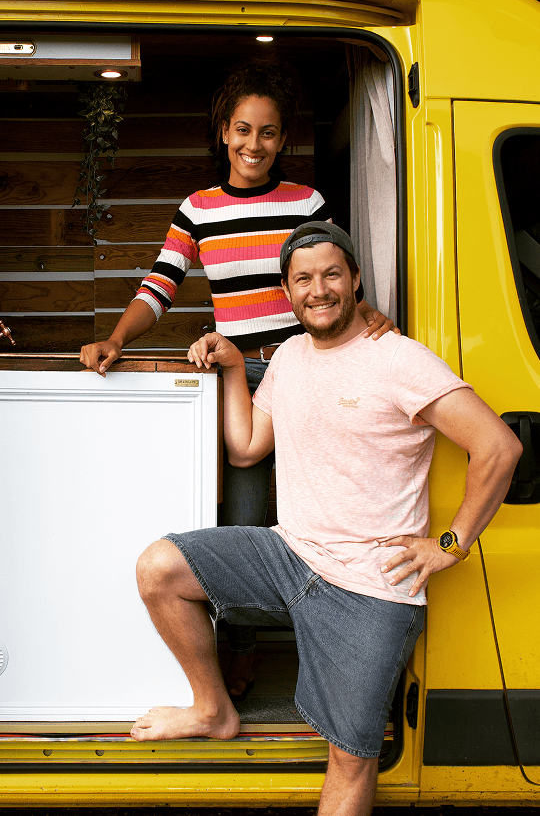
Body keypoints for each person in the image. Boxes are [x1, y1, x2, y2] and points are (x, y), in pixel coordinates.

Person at [130, 222, 522, 816]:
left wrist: (450, 543)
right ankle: (212, 709)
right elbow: (245, 448)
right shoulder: (288, 356)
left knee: (350, 757)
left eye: (332, 274)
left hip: (370, 584)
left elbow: (499, 446)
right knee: (160, 568)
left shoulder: (398, 359)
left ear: (356, 281)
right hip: (292, 555)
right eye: (304, 278)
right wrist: (235, 366)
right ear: (288, 292)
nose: (319, 289)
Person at [79, 61, 396, 698]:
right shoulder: (197, 210)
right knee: (247, 520)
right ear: (224, 132)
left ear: (283, 139)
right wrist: (115, 337)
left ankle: (327, 645)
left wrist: (371, 317)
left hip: (309, 371)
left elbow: (332, 275)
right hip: (241, 381)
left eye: (269, 133)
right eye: (244, 131)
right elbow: (159, 287)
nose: (255, 146)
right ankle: (244, 649)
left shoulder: (306, 203)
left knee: (324, 510)